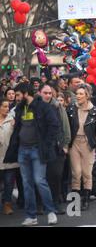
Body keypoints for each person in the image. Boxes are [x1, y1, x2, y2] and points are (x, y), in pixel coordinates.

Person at [3, 83, 59, 226]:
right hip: (23, 150)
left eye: (17, 95)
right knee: (27, 184)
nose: (16, 98)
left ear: (25, 93)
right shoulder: (20, 108)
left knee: (39, 180)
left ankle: (51, 212)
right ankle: (31, 215)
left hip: (37, 149)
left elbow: (54, 125)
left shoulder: (43, 107)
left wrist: (46, 144)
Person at [67, 84, 96, 210]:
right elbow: (67, 128)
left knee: (86, 173)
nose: (78, 96)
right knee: (76, 172)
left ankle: (86, 200)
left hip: (88, 144)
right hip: (74, 143)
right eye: (77, 94)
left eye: (81, 94)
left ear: (87, 96)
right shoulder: (71, 109)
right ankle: (75, 201)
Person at [38, 84, 71, 214]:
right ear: (40, 93)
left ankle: (55, 203)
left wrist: (65, 145)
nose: (47, 95)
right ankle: (40, 204)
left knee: (56, 176)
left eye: (49, 93)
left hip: (56, 146)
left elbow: (65, 125)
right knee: (41, 177)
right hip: (40, 147)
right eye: (45, 93)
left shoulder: (58, 107)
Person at [0, 98, 20, 215]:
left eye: (8, 106)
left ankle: (7, 204)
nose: (7, 109)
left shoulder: (12, 120)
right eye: (4, 106)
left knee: (9, 183)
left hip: (10, 157)